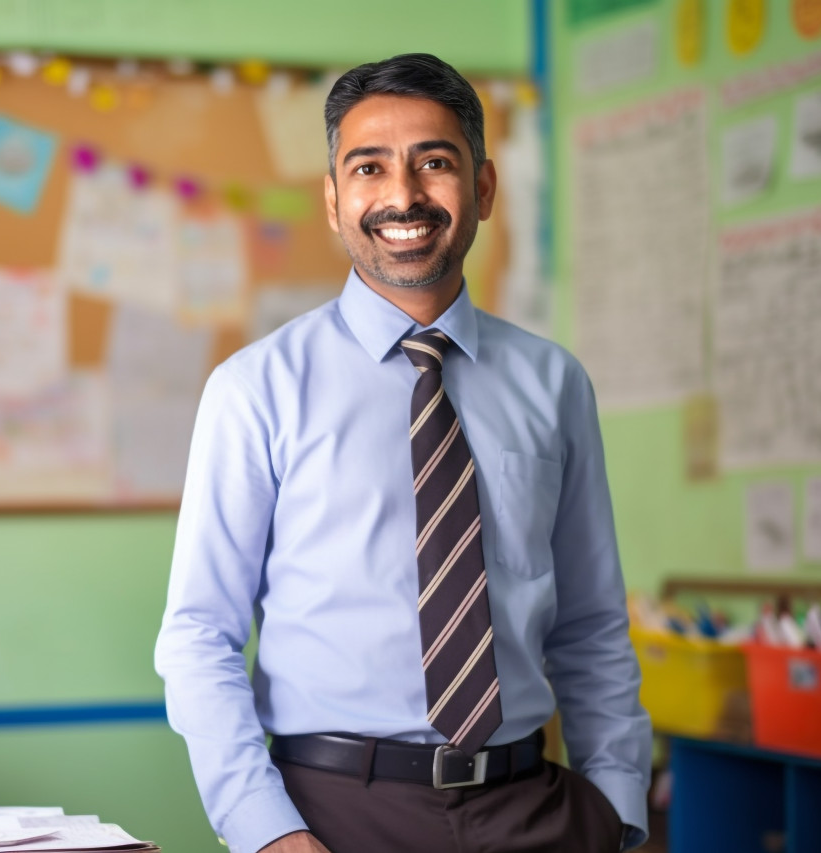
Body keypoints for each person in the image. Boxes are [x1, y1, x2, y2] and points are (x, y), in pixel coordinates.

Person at [155, 53, 651, 853]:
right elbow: (198, 634)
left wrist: (618, 810)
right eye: (369, 168)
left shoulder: (554, 382)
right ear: (334, 199)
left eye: (435, 162)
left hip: (534, 811)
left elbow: (591, 624)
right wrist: (267, 832)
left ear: (483, 188)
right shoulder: (256, 388)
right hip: (333, 813)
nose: (403, 195)